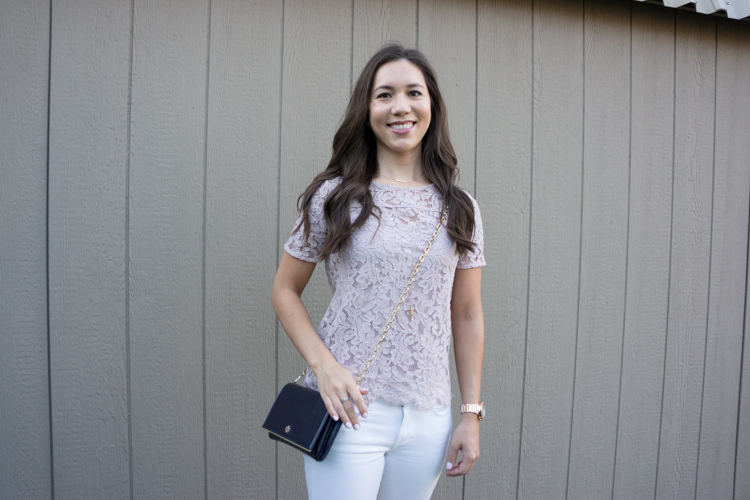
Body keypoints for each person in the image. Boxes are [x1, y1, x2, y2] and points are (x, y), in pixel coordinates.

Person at [271, 44, 485, 500]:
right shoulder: (333, 197)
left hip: (429, 415)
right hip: (349, 410)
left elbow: (466, 313)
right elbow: (285, 291)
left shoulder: (460, 208)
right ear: (367, 110)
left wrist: (471, 414)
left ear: (432, 105)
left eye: (414, 93)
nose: (401, 107)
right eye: (384, 94)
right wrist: (324, 368)